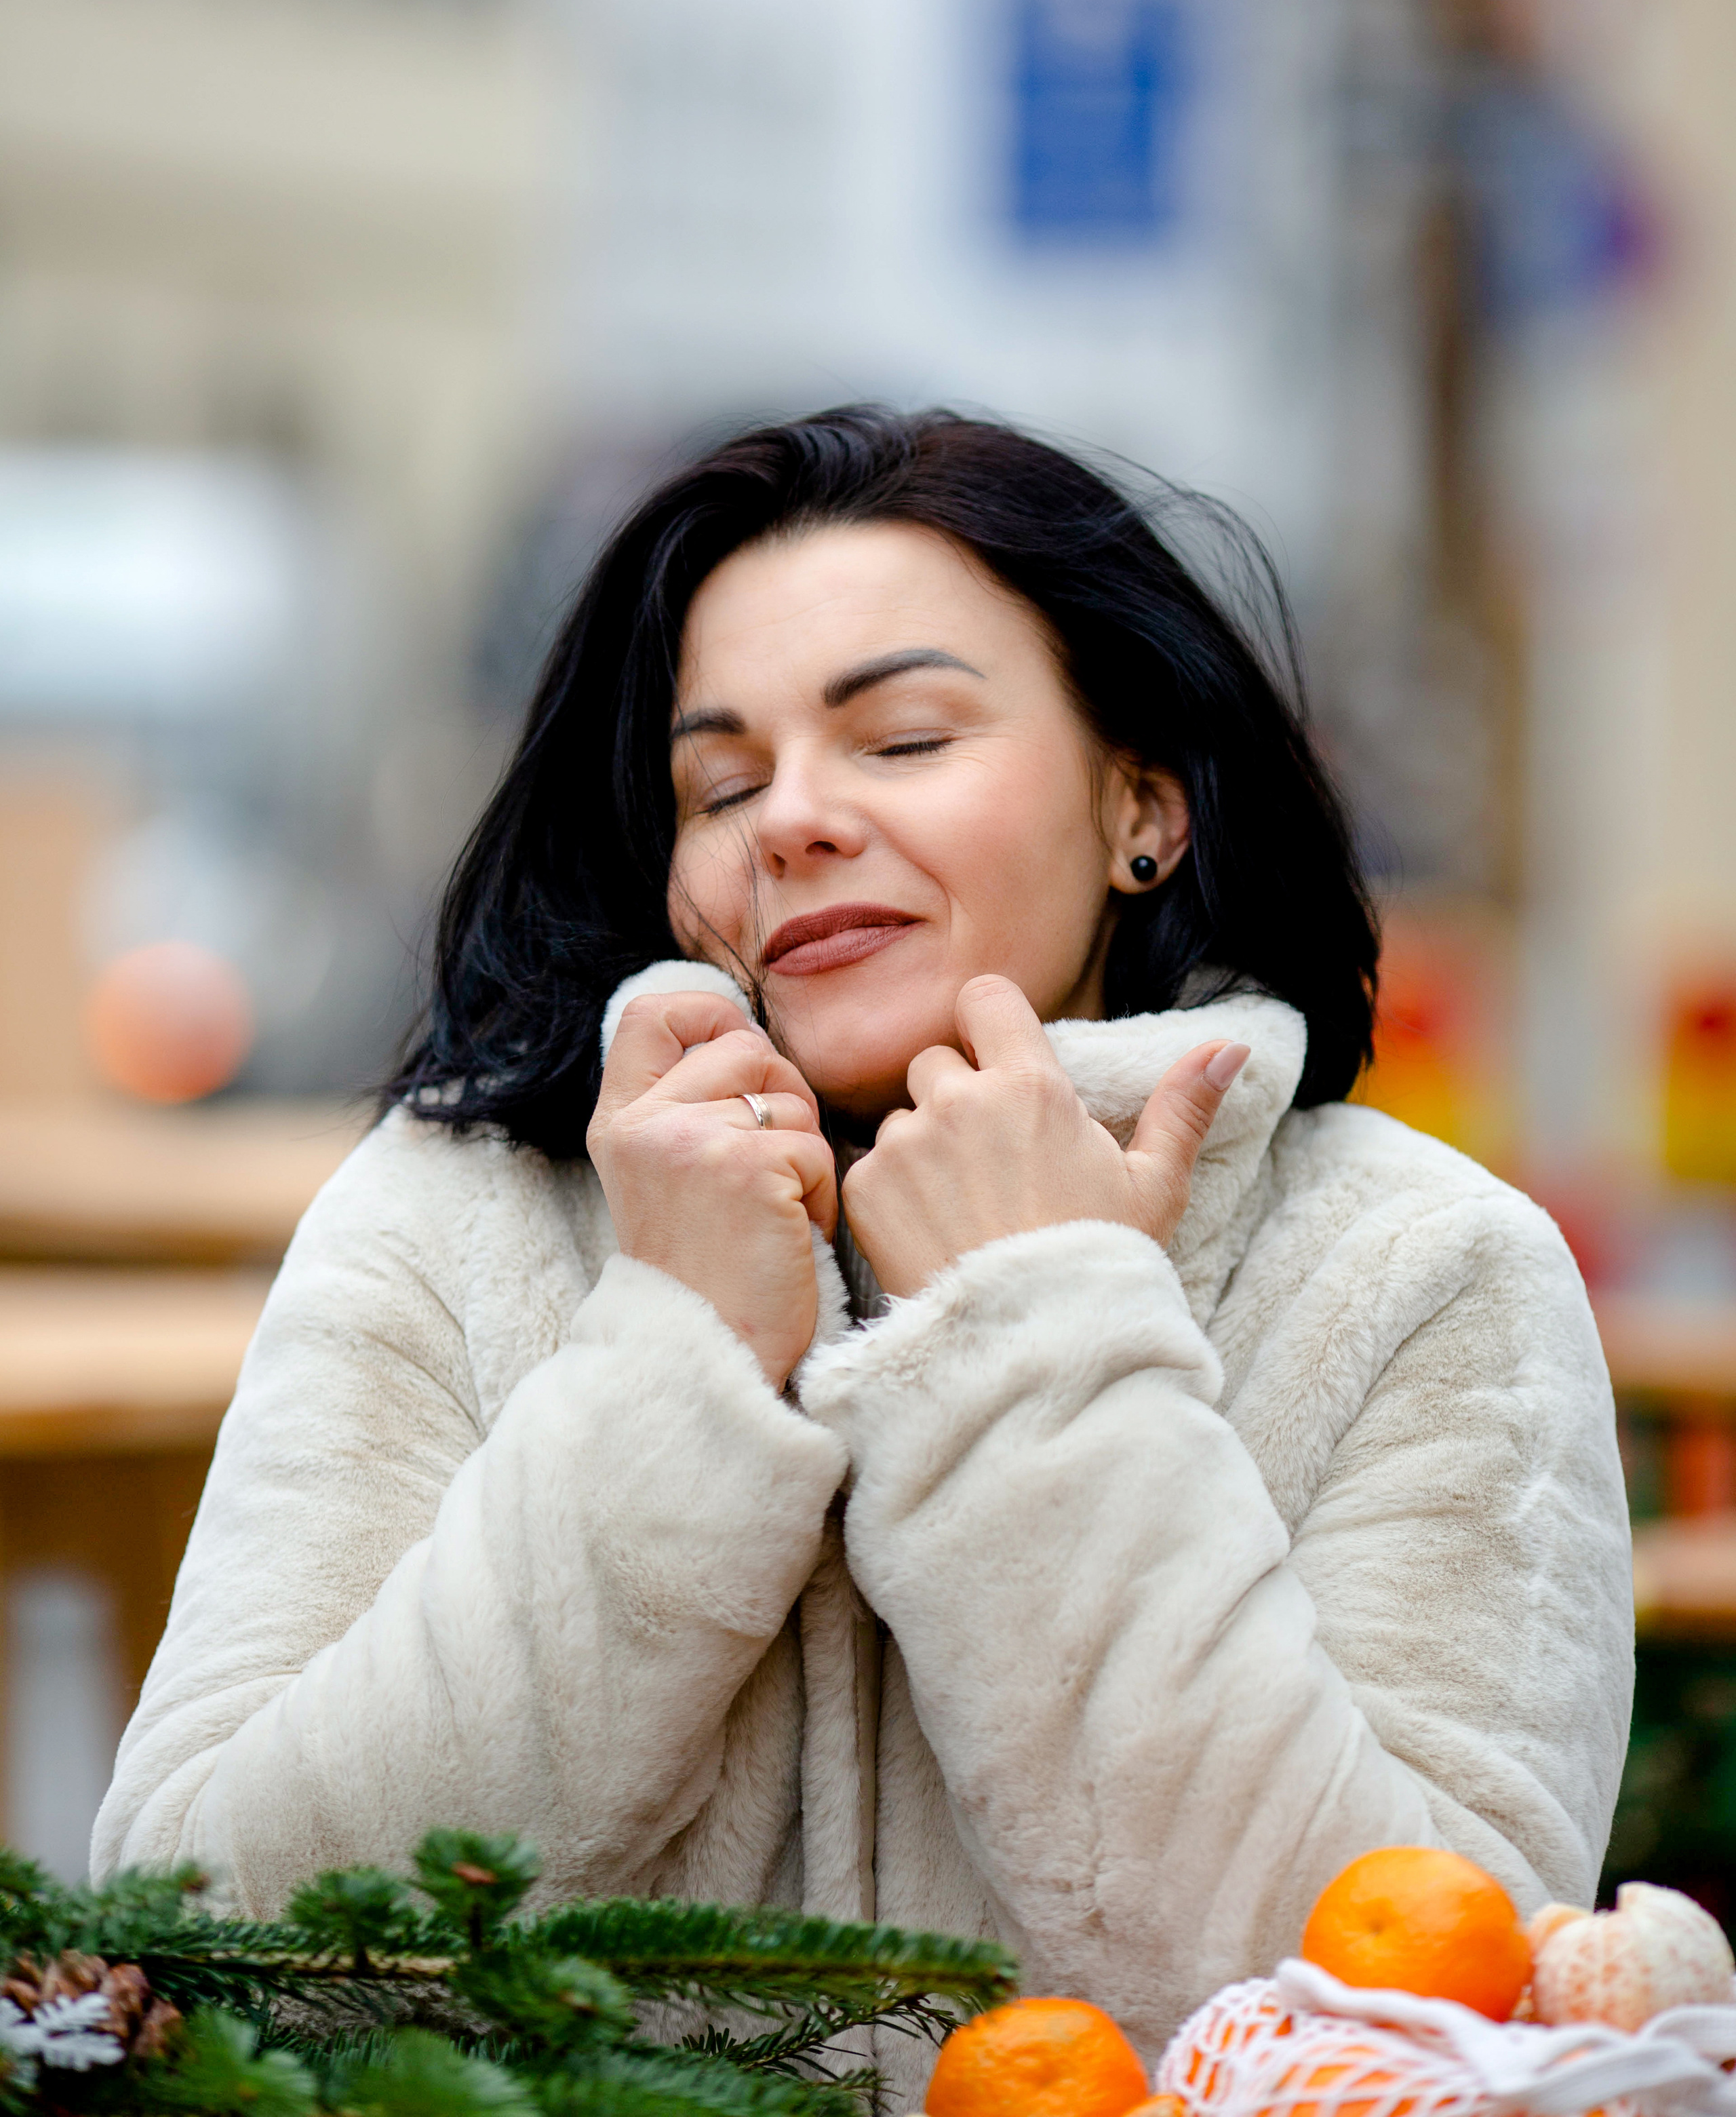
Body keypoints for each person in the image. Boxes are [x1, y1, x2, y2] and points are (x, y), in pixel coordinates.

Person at [92, 407, 1632, 2105]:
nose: (794, 820)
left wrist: (1038, 1347)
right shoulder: (444, 1221)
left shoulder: (1424, 1273)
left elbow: (1431, 2030)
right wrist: (670, 1363)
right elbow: (206, 1955)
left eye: (900, 738)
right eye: (721, 781)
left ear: (1146, 800)